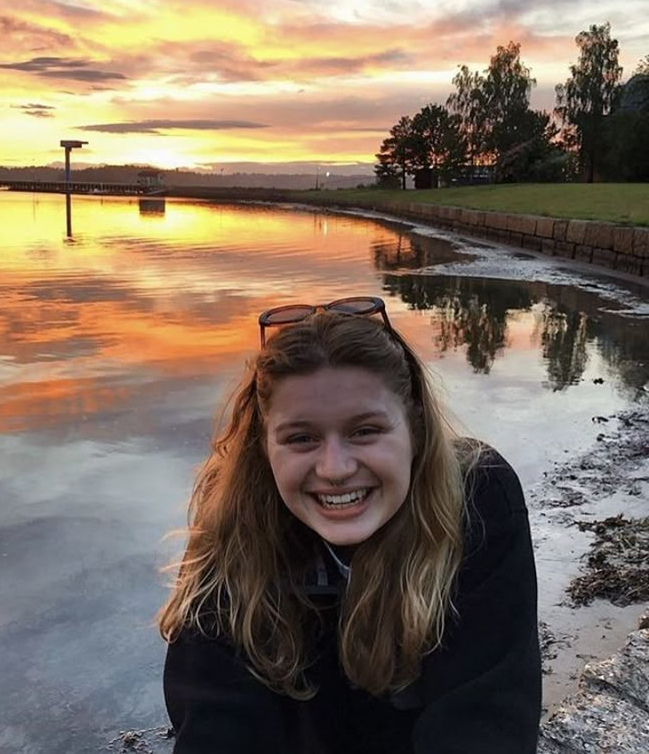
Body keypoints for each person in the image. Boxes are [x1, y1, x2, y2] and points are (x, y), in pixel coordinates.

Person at [158, 296, 541, 753]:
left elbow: (486, 719)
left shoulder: (478, 498)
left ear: (414, 427)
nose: (335, 468)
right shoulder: (230, 520)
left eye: (364, 431)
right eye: (302, 438)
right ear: (264, 444)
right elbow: (215, 722)